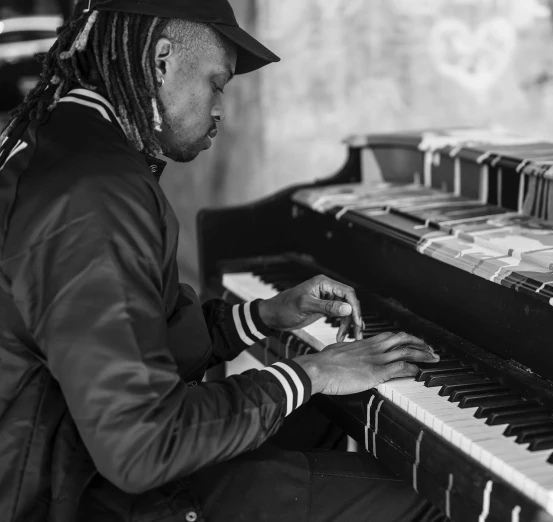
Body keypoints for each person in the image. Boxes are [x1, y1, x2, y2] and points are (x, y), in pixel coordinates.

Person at [0, 1, 446, 521]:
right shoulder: (95, 192)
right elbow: (141, 446)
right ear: (161, 61)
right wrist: (314, 370)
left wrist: (261, 317)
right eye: (217, 83)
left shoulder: (61, 138)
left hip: (78, 461)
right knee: (426, 501)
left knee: (317, 423)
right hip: (79, 497)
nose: (219, 110)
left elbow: (131, 338)